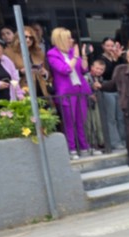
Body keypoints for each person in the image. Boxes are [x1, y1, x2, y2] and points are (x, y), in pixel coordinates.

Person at [46, 27, 92, 160]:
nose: (72, 40)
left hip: (79, 90)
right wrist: (76, 57)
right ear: (61, 40)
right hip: (66, 92)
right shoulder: (52, 54)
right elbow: (65, 69)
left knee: (81, 120)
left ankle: (84, 146)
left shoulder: (73, 52)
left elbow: (83, 69)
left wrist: (84, 56)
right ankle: (71, 148)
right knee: (69, 122)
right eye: (69, 38)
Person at [83, 59, 107, 153]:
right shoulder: (86, 77)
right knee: (90, 124)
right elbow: (82, 89)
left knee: (98, 123)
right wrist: (91, 89)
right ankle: (91, 144)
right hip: (87, 104)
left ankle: (100, 142)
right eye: (97, 68)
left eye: (101, 69)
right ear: (92, 67)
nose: (99, 71)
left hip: (96, 103)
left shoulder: (100, 78)